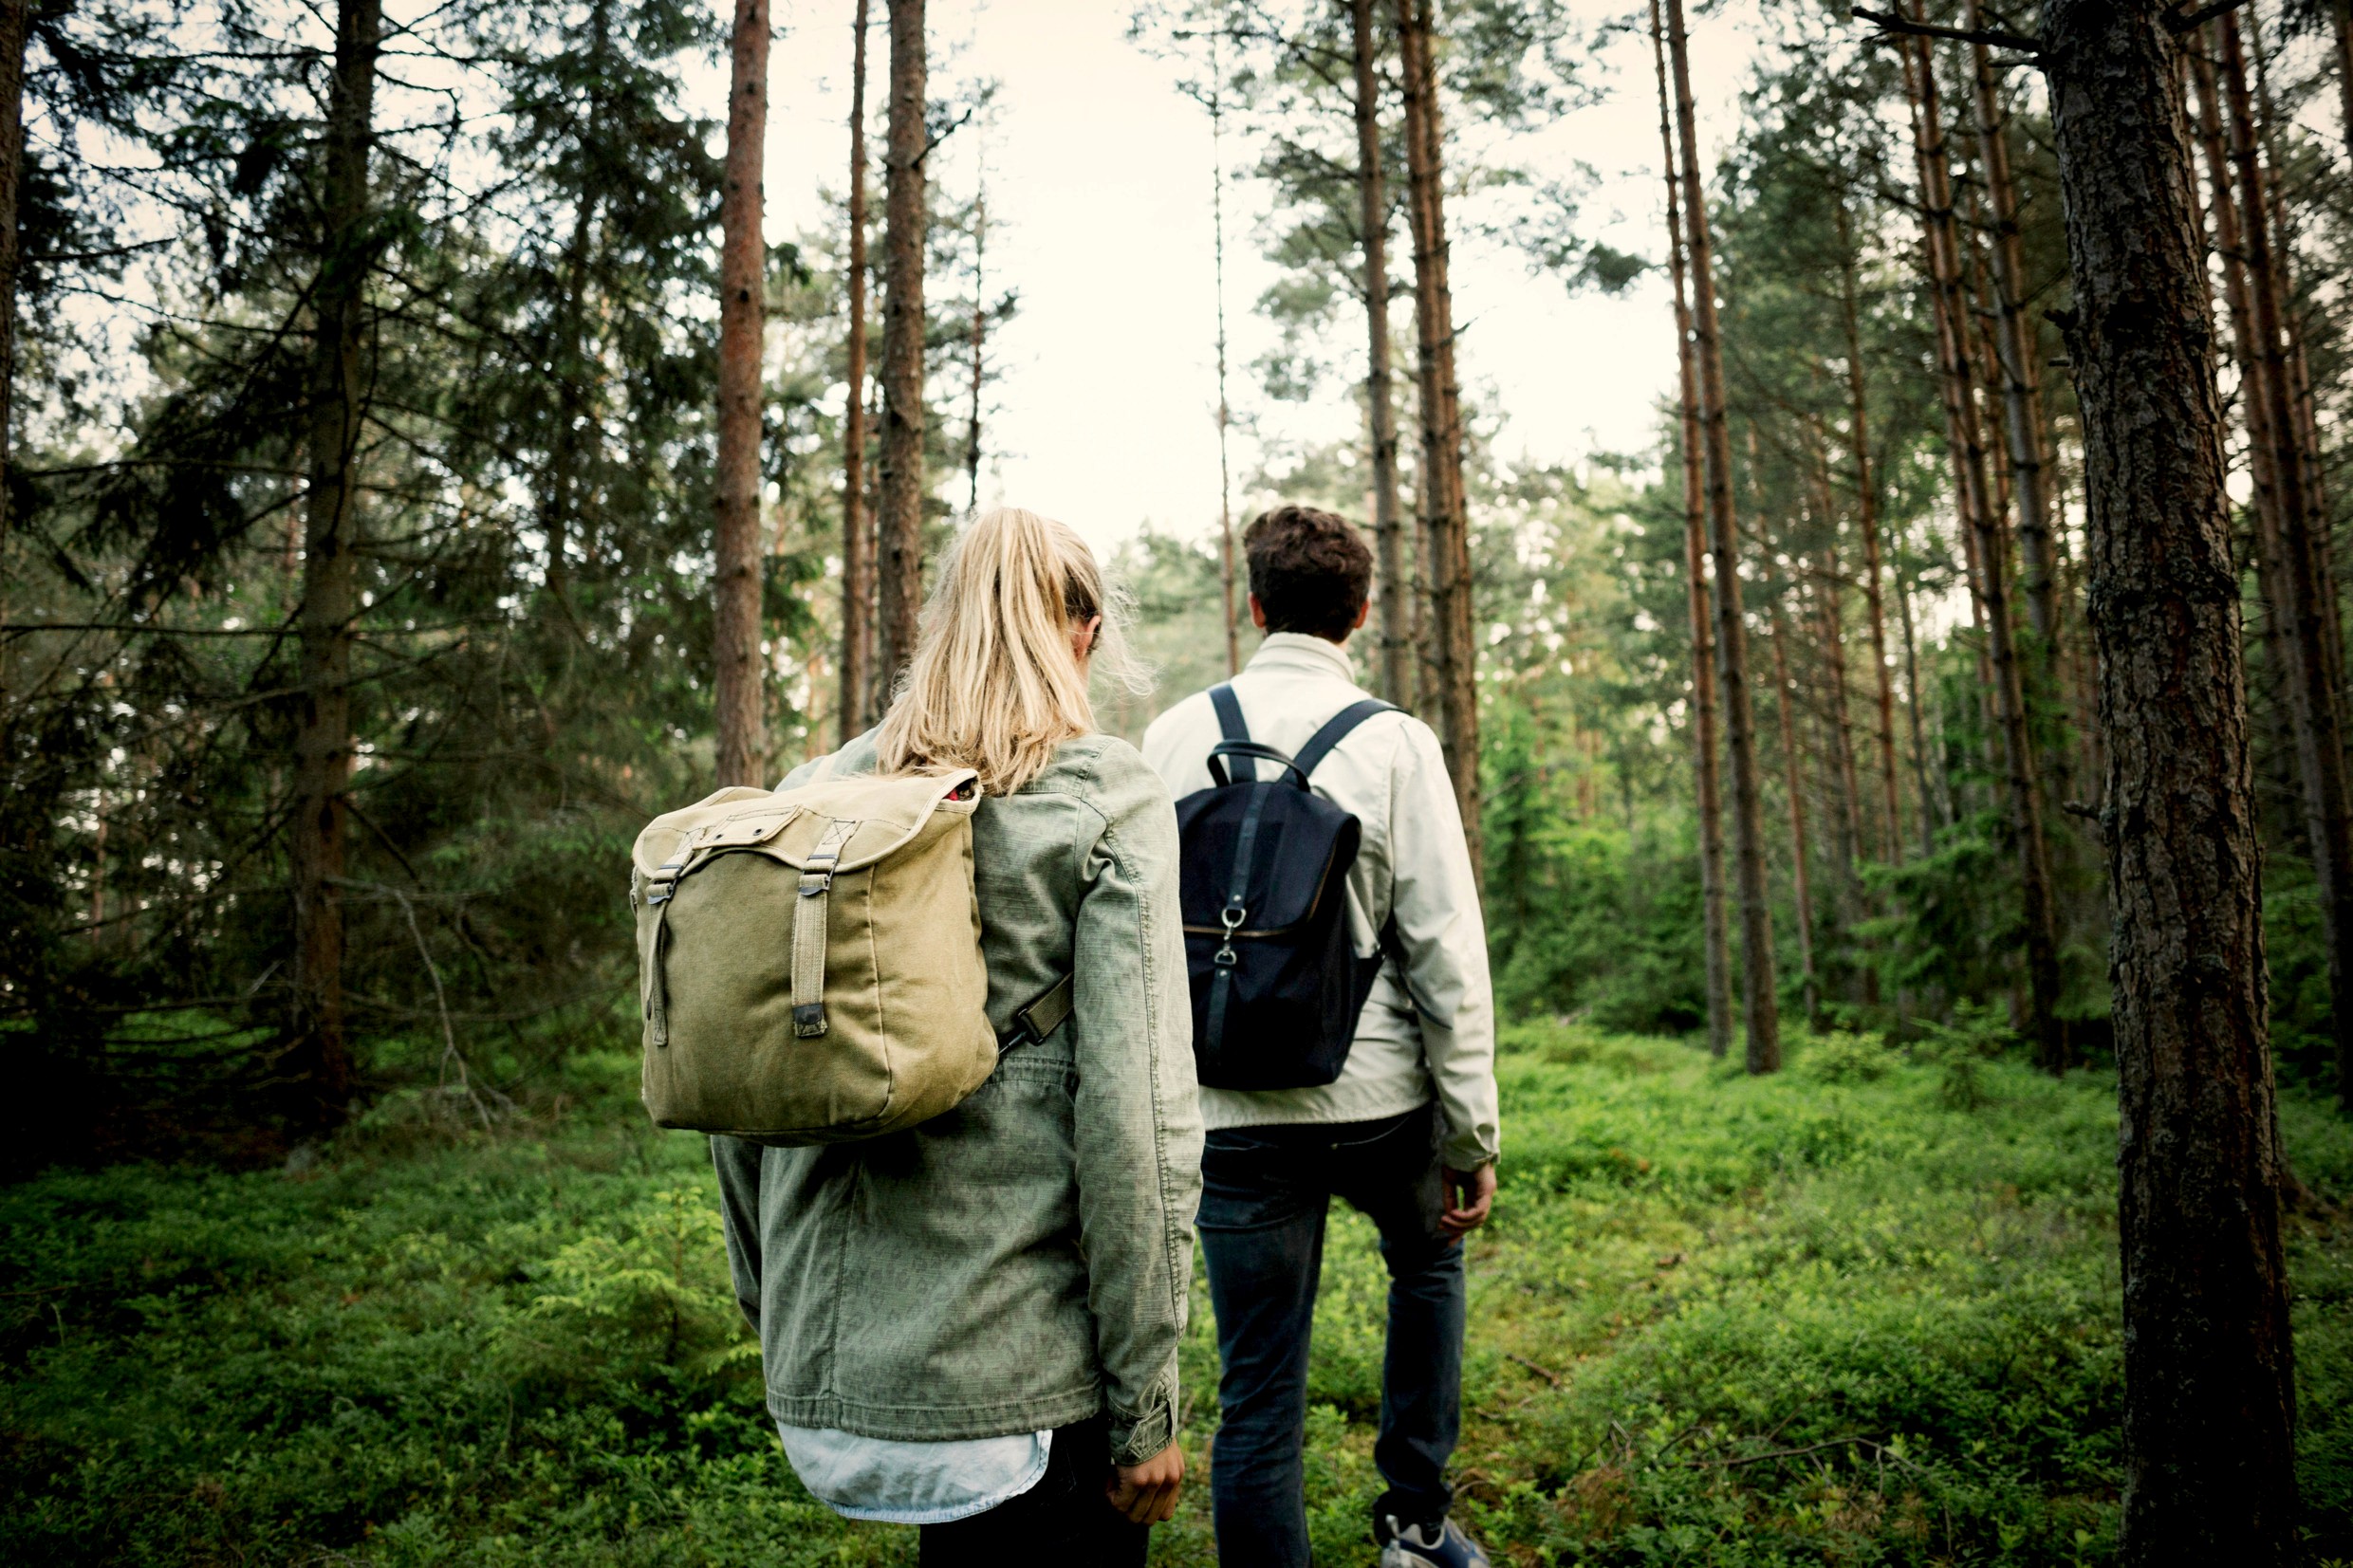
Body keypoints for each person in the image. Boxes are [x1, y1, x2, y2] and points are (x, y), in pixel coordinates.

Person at [711, 507, 1203, 1565]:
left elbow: (739, 1089)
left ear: (942, 621)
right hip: (1018, 1387)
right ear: (1079, 634)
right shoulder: (1104, 798)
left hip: (827, 1378)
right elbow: (1137, 1126)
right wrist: (1146, 1401)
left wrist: (772, 1307)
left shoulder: (816, 797)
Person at [1141, 504, 1500, 1568]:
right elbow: (1443, 950)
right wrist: (1470, 1135)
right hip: (1380, 1101)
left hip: (1231, 1116)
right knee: (1426, 1266)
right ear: (1359, 613)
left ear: (1252, 606)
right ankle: (1415, 1524)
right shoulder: (1394, 744)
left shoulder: (1170, 736)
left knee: (1258, 1389)